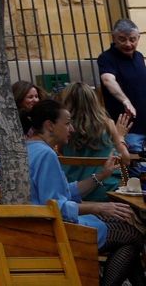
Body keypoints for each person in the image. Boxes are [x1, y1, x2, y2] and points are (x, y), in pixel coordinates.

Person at [24, 98, 143, 285]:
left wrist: (102, 175)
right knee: (133, 236)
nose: (71, 129)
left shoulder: (31, 148)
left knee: (127, 229)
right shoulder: (46, 154)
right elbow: (56, 206)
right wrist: (98, 208)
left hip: (45, 228)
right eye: (67, 123)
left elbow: (63, 192)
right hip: (60, 232)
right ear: (49, 125)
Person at [61, 82, 130, 196]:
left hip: (75, 191)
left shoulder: (64, 128)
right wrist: (120, 137)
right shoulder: (108, 124)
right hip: (107, 190)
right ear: (94, 101)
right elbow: (126, 160)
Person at [98, 18, 146, 158]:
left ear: (138, 38)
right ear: (114, 38)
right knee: (134, 173)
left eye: (132, 39)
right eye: (122, 39)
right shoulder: (106, 58)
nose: (128, 44)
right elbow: (108, 79)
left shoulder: (139, 57)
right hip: (128, 129)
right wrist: (126, 101)